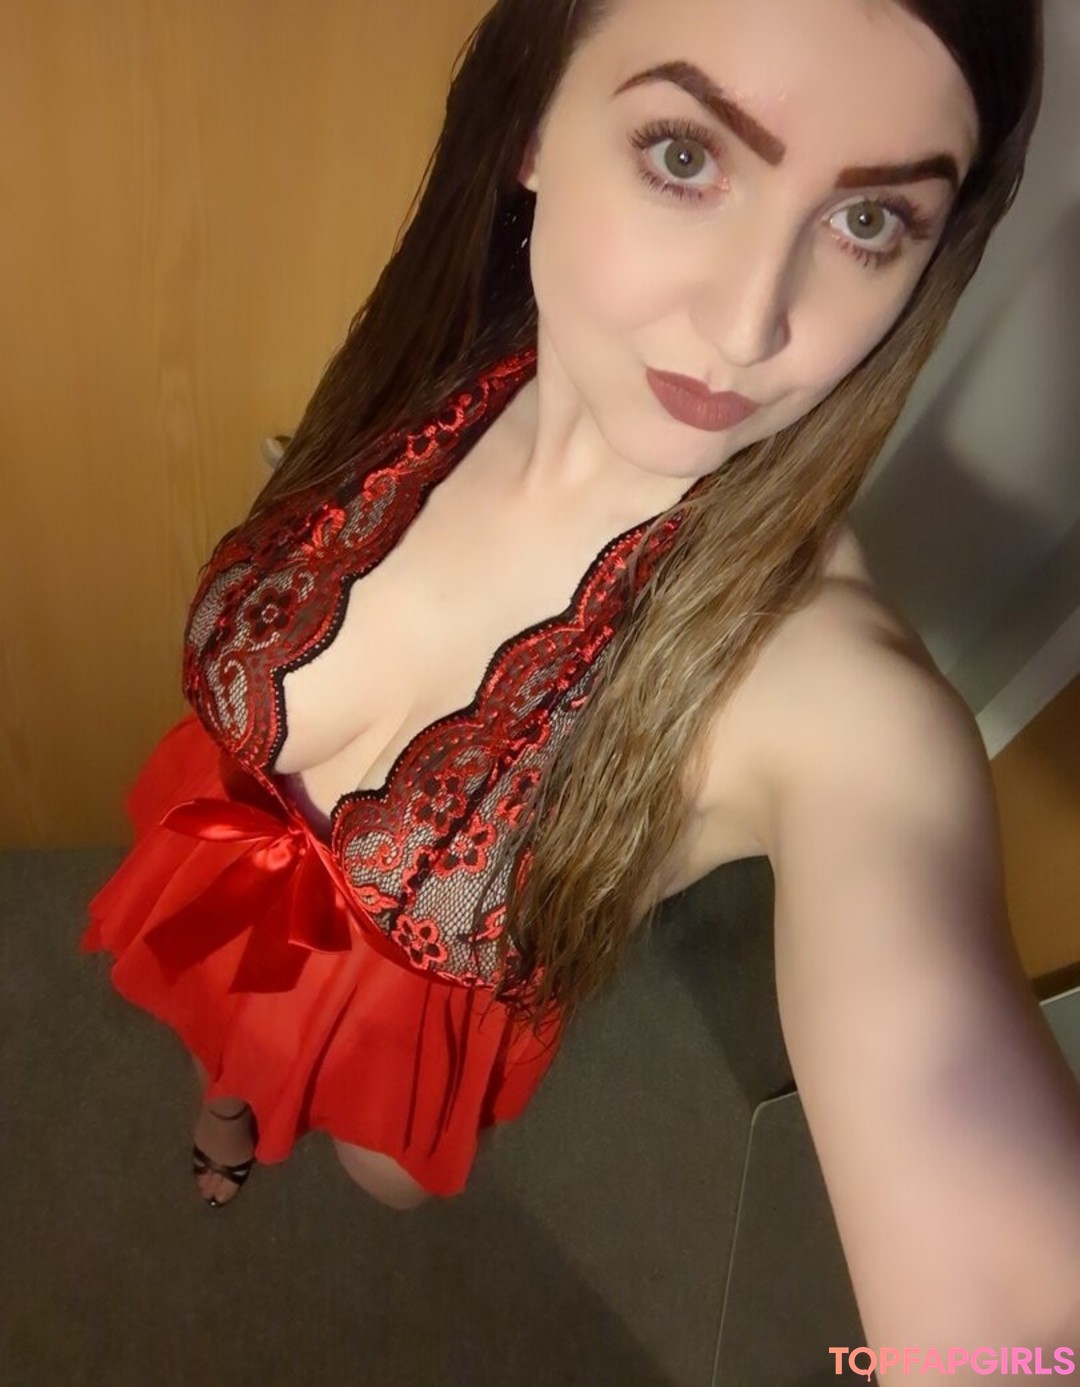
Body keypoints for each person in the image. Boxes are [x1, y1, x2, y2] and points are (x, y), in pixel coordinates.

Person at [82, 0, 1080, 1353]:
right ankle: (234, 1104)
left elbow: (1010, 1288)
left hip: (410, 1034)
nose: (745, 325)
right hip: (227, 875)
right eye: (685, 155)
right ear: (537, 127)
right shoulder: (457, 346)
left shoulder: (824, 694)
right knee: (226, 1049)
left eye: (867, 220)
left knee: (382, 1168)